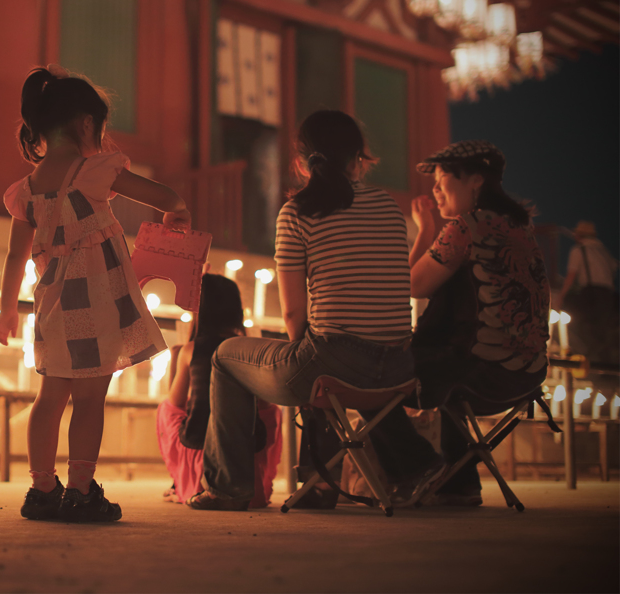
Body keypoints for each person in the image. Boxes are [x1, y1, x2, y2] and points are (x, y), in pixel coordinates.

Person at [187, 109, 417, 511]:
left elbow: (294, 316)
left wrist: (307, 371)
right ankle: (326, 479)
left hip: (335, 365)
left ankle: (229, 487)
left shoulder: (296, 214)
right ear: (357, 158)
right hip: (399, 367)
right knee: (323, 353)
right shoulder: (386, 206)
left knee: (224, 356)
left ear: (301, 160)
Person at [0, 66, 191, 522]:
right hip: (98, 305)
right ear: (87, 125)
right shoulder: (97, 169)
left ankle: (42, 489)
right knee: (89, 402)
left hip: (53, 307)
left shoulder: (25, 191)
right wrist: (176, 210)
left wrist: (7, 310)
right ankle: (81, 490)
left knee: (49, 399)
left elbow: (13, 259)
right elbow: (162, 194)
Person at [367, 140, 551, 507]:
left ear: (475, 181)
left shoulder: (465, 227)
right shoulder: (520, 228)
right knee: (445, 376)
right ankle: (459, 483)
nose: (434, 190)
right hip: (528, 372)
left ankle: (416, 465)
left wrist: (424, 230)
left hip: (483, 368)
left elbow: (413, 286)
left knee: (367, 373)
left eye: (443, 180)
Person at [156, 274, 282, 507]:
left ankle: (183, 482)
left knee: (167, 409)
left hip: (200, 455)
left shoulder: (191, 350)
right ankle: (261, 481)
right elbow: (265, 407)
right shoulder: (252, 349)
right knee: (272, 411)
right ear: (237, 309)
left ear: (200, 310)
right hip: (247, 454)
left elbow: (175, 405)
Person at [558, 221, 618, 363]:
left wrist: (561, 296)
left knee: (579, 324)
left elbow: (571, 276)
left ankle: (588, 360)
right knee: (601, 330)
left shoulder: (579, 250)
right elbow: (613, 270)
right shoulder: (603, 251)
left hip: (591, 293)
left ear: (579, 235)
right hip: (608, 294)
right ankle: (605, 366)